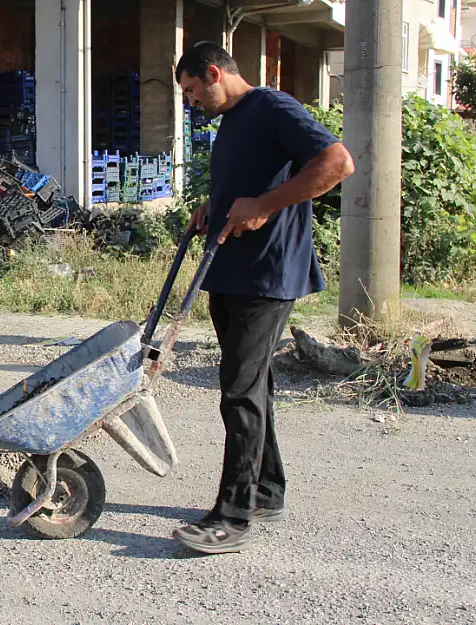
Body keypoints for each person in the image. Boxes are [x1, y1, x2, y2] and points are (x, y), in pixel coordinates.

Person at [171, 42, 354, 554]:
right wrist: (216, 203)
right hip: (231, 270)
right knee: (252, 386)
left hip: (266, 275)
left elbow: (337, 162)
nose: (191, 102)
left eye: (191, 91)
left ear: (213, 73)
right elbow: (254, 178)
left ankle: (233, 515)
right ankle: (267, 490)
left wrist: (266, 206)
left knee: (238, 390)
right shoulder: (233, 119)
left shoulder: (274, 107)